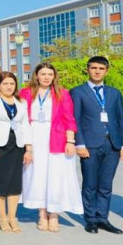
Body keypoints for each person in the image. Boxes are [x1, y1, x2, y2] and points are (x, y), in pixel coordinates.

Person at [20, 63, 81, 233]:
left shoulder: (62, 93)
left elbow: (69, 118)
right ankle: (41, 214)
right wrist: (27, 147)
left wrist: (70, 141)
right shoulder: (25, 93)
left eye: (50, 74)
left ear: (54, 76)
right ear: (36, 75)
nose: (46, 77)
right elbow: (21, 119)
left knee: (56, 176)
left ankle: (54, 214)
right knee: (37, 175)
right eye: (43, 74)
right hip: (33, 138)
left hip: (56, 138)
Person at [71, 56, 123, 235]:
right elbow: (76, 120)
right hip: (89, 145)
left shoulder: (114, 93)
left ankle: (103, 218)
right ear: (87, 70)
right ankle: (91, 219)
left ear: (107, 71)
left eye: (101, 68)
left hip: (112, 144)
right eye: (93, 68)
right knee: (90, 183)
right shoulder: (78, 92)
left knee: (105, 184)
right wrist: (79, 143)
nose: (97, 71)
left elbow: (121, 119)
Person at [0, 72, 32, 232]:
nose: (9, 87)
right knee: (0, 182)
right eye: (5, 84)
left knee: (15, 182)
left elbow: (25, 125)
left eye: (12, 83)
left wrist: (28, 148)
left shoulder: (21, 102)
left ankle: (13, 217)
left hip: (17, 145)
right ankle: (2, 217)